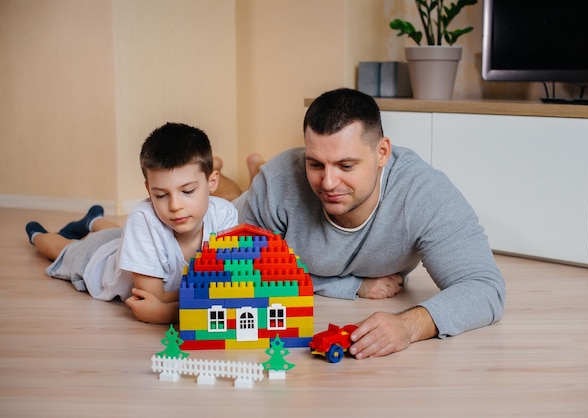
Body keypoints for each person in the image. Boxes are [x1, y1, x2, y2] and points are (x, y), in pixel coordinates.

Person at [216, 88, 506, 359]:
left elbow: (484, 288)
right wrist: (350, 287)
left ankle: (250, 173)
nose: (328, 183)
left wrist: (409, 325)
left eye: (346, 166)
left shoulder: (424, 193)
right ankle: (230, 176)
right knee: (218, 208)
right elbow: (247, 275)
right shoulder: (278, 184)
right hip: (252, 201)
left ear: (382, 153)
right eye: (315, 164)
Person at [25, 122, 238, 324]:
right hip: (100, 260)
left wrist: (169, 310)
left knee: (119, 234)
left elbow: (227, 283)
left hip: (127, 242)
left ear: (212, 182)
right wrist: (182, 307)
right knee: (64, 249)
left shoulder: (225, 215)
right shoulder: (142, 220)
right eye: (161, 195)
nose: (175, 206)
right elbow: (154, 297)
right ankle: (37, 234)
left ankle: (93, 220)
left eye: (188, 191)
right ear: (149, 190)